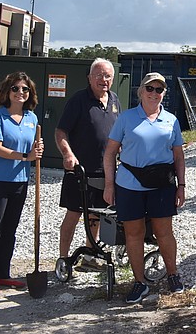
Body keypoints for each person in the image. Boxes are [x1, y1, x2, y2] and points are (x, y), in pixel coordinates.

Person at [103, 72, 186, 303]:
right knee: (134, 233)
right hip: (129, 184)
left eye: (159, 89)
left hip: (162, 185)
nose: (154, 93)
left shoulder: (171, 120)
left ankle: (173, 275)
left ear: (164, 94)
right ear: (141, 91)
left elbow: (179, 156)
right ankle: (139, 282)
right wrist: (109, 185)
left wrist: (181, 185)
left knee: (164, 232)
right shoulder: (126, 118)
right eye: (150, 88)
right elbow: (110, 153)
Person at [0, 72, 44, 297]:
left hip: (19, 182)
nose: (20, 92)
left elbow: (33, 147)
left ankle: (2, 273)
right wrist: (26, 156)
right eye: (15, 88)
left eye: (25, 89)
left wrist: (37, 150)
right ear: (7, 92)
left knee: (10, 230)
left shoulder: (32, 119)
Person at [56, 58, 121, 269]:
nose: (104, 80)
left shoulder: (114, 100)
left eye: (108, 76)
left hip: (105, 171)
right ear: (90, 78)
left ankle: (90, 257)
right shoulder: (79, 100)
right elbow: (61, 132)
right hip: (80, 171)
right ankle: (64, 259)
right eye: (99, 75)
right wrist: (68, 154)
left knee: (96, 215)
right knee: (74, 214)